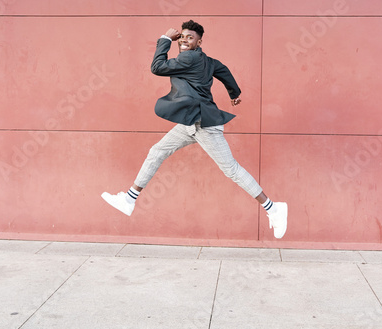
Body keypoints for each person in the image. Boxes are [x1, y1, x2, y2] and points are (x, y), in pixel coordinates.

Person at [102, 20, 288, 238]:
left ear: (199, 41)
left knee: (231, 170)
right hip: (191, 122)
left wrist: (164, 39)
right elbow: (224, 70)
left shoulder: (189, 57)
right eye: (181, 37)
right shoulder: (207, 61)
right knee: (157, 151)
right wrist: (234, 93)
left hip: (203, 124)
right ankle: (129, 198)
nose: (183, 40)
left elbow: (157, 68)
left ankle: (274, 209)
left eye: (189, 37)